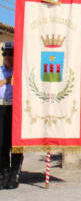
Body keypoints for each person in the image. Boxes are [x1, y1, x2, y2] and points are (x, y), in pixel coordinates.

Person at [0, 41, 23, 189]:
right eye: (5, 54)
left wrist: (5, 81)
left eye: (10, 53)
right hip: (1, 106)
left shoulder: (20, 70)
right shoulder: (0, 70)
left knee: (15, 142)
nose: (7, 56)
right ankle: (3, 173)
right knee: (1, 143)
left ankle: (14, 173)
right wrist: (7, 80)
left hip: (15, 108)